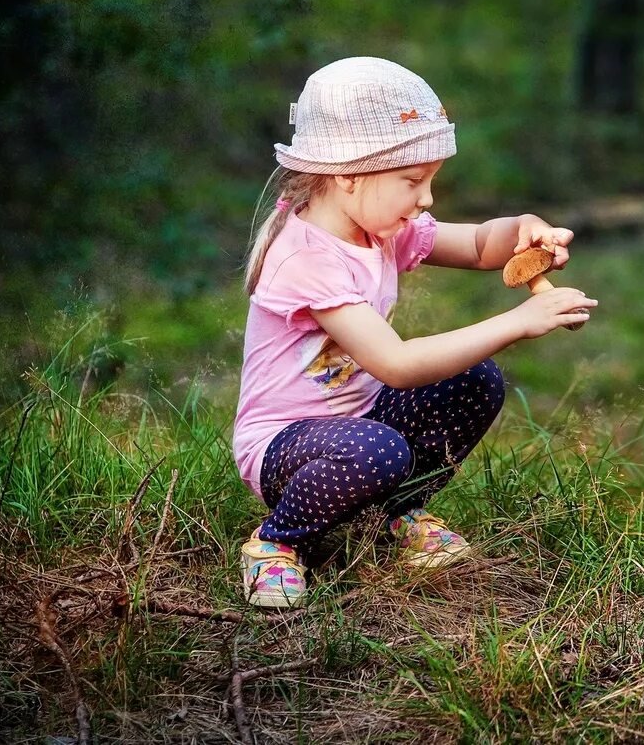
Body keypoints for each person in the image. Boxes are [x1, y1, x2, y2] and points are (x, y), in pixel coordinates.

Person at [233, 56, 596, 608]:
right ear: (348, 175)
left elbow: (477, 246)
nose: (426, 199)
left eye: (430, 180)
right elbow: (396, 365)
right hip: (287, 446)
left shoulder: (377, 228)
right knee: (376, 450)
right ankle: (278, 542)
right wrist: (517, 323)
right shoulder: (305, 256)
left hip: (361, 420)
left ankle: (396, 513)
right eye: (412, 181)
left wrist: (525, 230)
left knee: (475, 380)